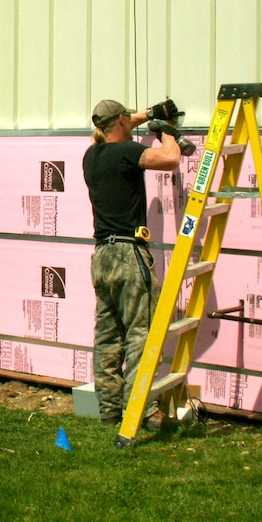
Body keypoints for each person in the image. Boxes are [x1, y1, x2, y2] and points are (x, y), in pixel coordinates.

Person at [82, 97, 192, 428]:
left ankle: (111, 411)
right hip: (130, 256)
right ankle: (143, 411)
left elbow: (118, 123)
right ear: (119, 124)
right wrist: (168, 131)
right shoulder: (125, 153)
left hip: (102, 256)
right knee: (140, 335)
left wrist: (151, 114)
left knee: (108, 337)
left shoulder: (92, 156)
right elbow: (171, 159)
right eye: (128, 120)